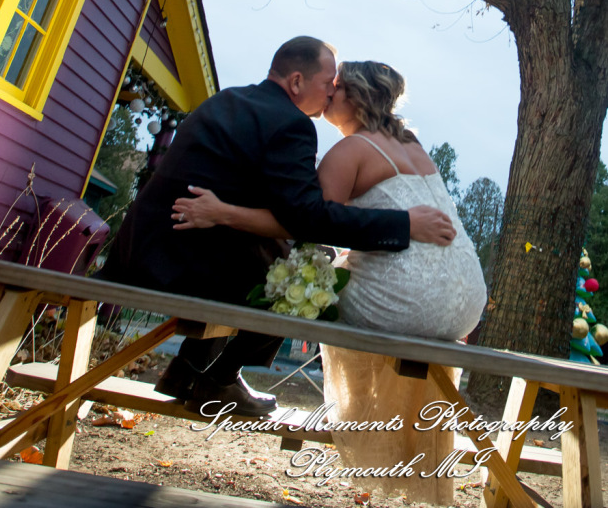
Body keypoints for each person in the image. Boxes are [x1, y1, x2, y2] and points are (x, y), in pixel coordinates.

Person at [172, 60, 486, 500]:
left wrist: (222, 213)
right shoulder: (411, 142)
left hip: (408, 300)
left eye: (336, 88)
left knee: (301, 276)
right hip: (465, 301)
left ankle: (216, 371)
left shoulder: (350, 150)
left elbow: (306, 224)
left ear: (354, 96)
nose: (328, 95)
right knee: (315, 268)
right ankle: (200, 367)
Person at [99, 39, 456, 417]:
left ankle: (189, 372)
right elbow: (308, 218)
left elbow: (279, 208)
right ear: (298, 81)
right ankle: (218, 378)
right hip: (181, 266)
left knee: (276, 254)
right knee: (302, 277)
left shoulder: (229, 100)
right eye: (328, 82)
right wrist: (405, 223)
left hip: (139, 252)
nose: (333, 90)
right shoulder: (291, 125)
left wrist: (230, 214)